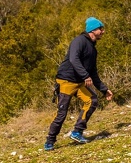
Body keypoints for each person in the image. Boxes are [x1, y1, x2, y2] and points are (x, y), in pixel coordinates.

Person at [44, 17, 113, 151]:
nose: (103, 32)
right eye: (101, 29)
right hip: (66, 81)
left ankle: (77, 132)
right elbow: (73, 59)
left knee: (92, 101)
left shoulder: (93, 49)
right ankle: (50, 141)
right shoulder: (79, 41)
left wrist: (104, 90)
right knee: (61, 113)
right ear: (93, 30)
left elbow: (93, 72)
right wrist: (85, 75)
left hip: (79, 82)